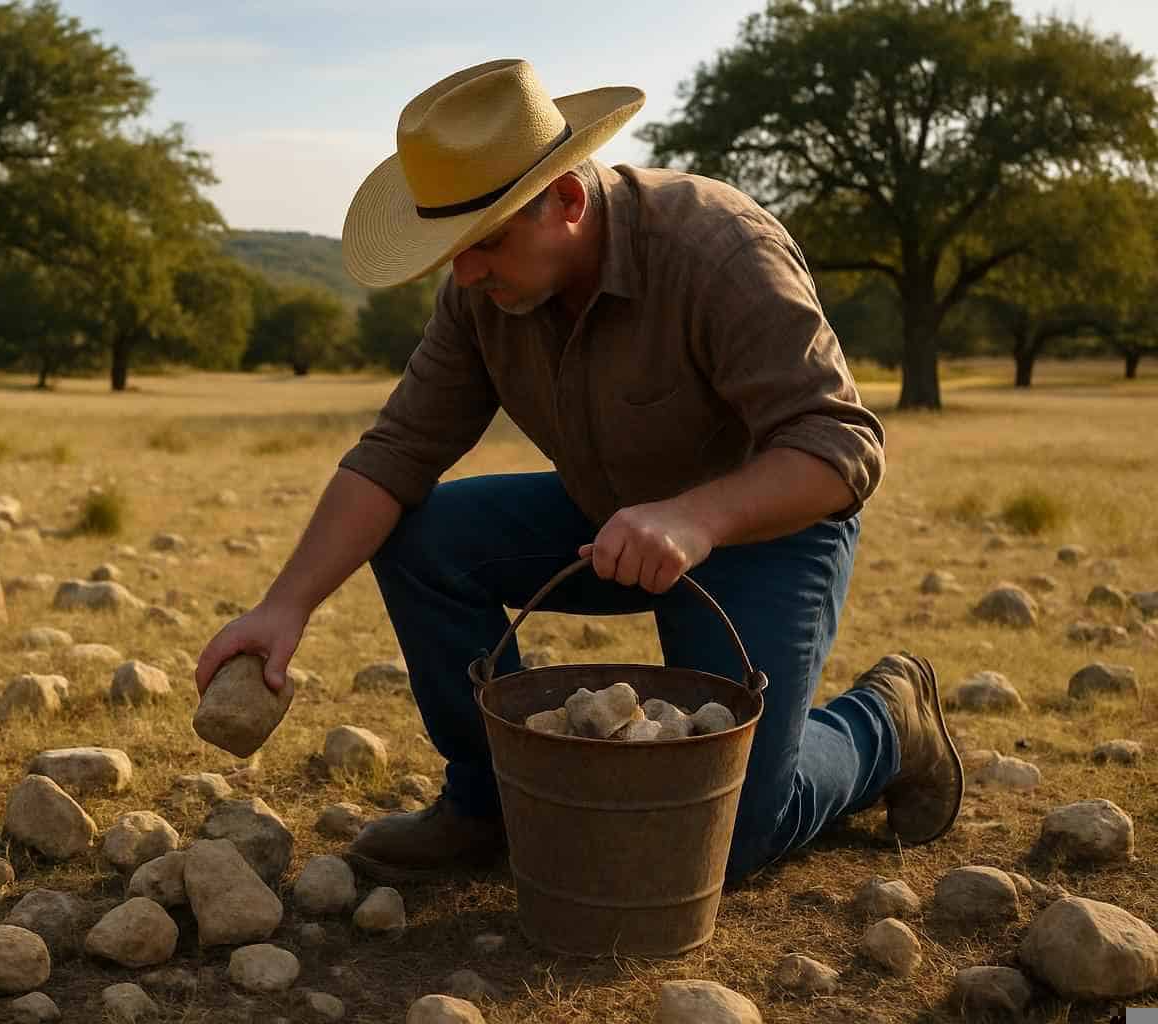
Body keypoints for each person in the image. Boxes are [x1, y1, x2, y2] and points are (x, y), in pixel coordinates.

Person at [195, 58, 963, 885]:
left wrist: (695, 519)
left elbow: (840, 447)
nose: (464, 275)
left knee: (723, 837)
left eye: (484, 241)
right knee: (422, 537)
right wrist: (285, 605)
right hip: (613, 518)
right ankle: (490, 802)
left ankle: (886, 721)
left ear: (567, 200)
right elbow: (396, 452)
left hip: (769, 526)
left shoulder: (718, 249)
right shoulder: (480, 295)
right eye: (450, 249)